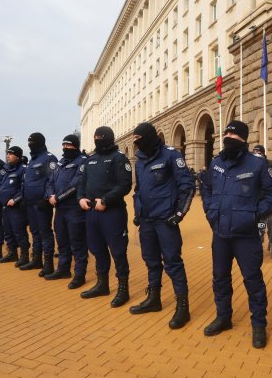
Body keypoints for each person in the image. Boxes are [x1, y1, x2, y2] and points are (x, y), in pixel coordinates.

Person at [200, 120, 272, 349]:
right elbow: (206, 188)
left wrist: (252, 215)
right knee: (220, 278)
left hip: (246, 235)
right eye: (226, 134)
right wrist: (209, 210)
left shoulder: (257, 164)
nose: (228, 138)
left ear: (244, 139)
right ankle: (223, 317)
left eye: (233, 136)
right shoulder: (216, 163)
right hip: (220, 233)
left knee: (253, 280)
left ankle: (259, 325)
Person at [130, 122, 195, 329]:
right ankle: (154, 299)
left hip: (166, 221)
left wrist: (179, 213)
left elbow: (187, 186)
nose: (137, 145)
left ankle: (183, 307)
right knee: (151, 261)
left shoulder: (171, 155)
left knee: (173, 263)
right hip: (147, 221)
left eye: (139, 140)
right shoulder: (140, 160)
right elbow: (138, 189)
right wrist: (138, 211)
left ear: (149, 137)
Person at [78, 126, 133, 307]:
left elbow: (125, 185)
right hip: (92, 212)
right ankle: (102, 285)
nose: (98, 140)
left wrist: (106, 200)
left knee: (118, 251)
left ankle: (123, 289)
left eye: (101, 137)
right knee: (97, 249)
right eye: (96, 137)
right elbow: (82, 183)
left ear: (108, 138)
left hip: (112, 212)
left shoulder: (119, 159)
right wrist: (81, 198)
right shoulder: (90, 160)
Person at [45, 135, 88, 288]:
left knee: (77, 242)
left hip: (74, 209)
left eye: (68, 145)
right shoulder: (60, 163)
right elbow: (50, 182)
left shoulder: (82, 161)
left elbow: (76, 184)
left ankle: (79, 274)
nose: (65, 148)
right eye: (63, 145)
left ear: (75, 146)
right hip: (60, 209)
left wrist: (58, 197)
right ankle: (63, 269)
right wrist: (50, 195)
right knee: (62, 240)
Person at [19, 133, 59, 276]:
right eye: (29, 141)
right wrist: (24, 198)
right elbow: (27, 182)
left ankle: (48, 264)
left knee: (44, 232)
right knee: (34, 232)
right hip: (30, 203)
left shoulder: (49, 158)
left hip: (42, 204)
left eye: (33, 142)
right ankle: (37, 259)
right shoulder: (32, 160)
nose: (30, 144)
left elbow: (52, 179)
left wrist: (46, 198)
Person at [0, 146, 30, 266]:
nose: (8, 156)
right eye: (7, 153)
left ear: (18, 156)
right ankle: (12, 253)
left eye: (11, 154)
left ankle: (24, 255)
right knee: (8, 231)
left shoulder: (23, 169)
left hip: (16, 207)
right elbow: (3, 187)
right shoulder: (7, 169)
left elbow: (24, 188)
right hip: (5, 206)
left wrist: (15, 199)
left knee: (19, 231)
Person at [253, 144, 272, 259]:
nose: (256, 154)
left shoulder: (271, 164)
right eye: (254, 152)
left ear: (263, 153)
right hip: (257, 201)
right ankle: (258, 248)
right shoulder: (251, 165)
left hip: (270, 201)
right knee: (258, 226)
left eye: (258, 152)